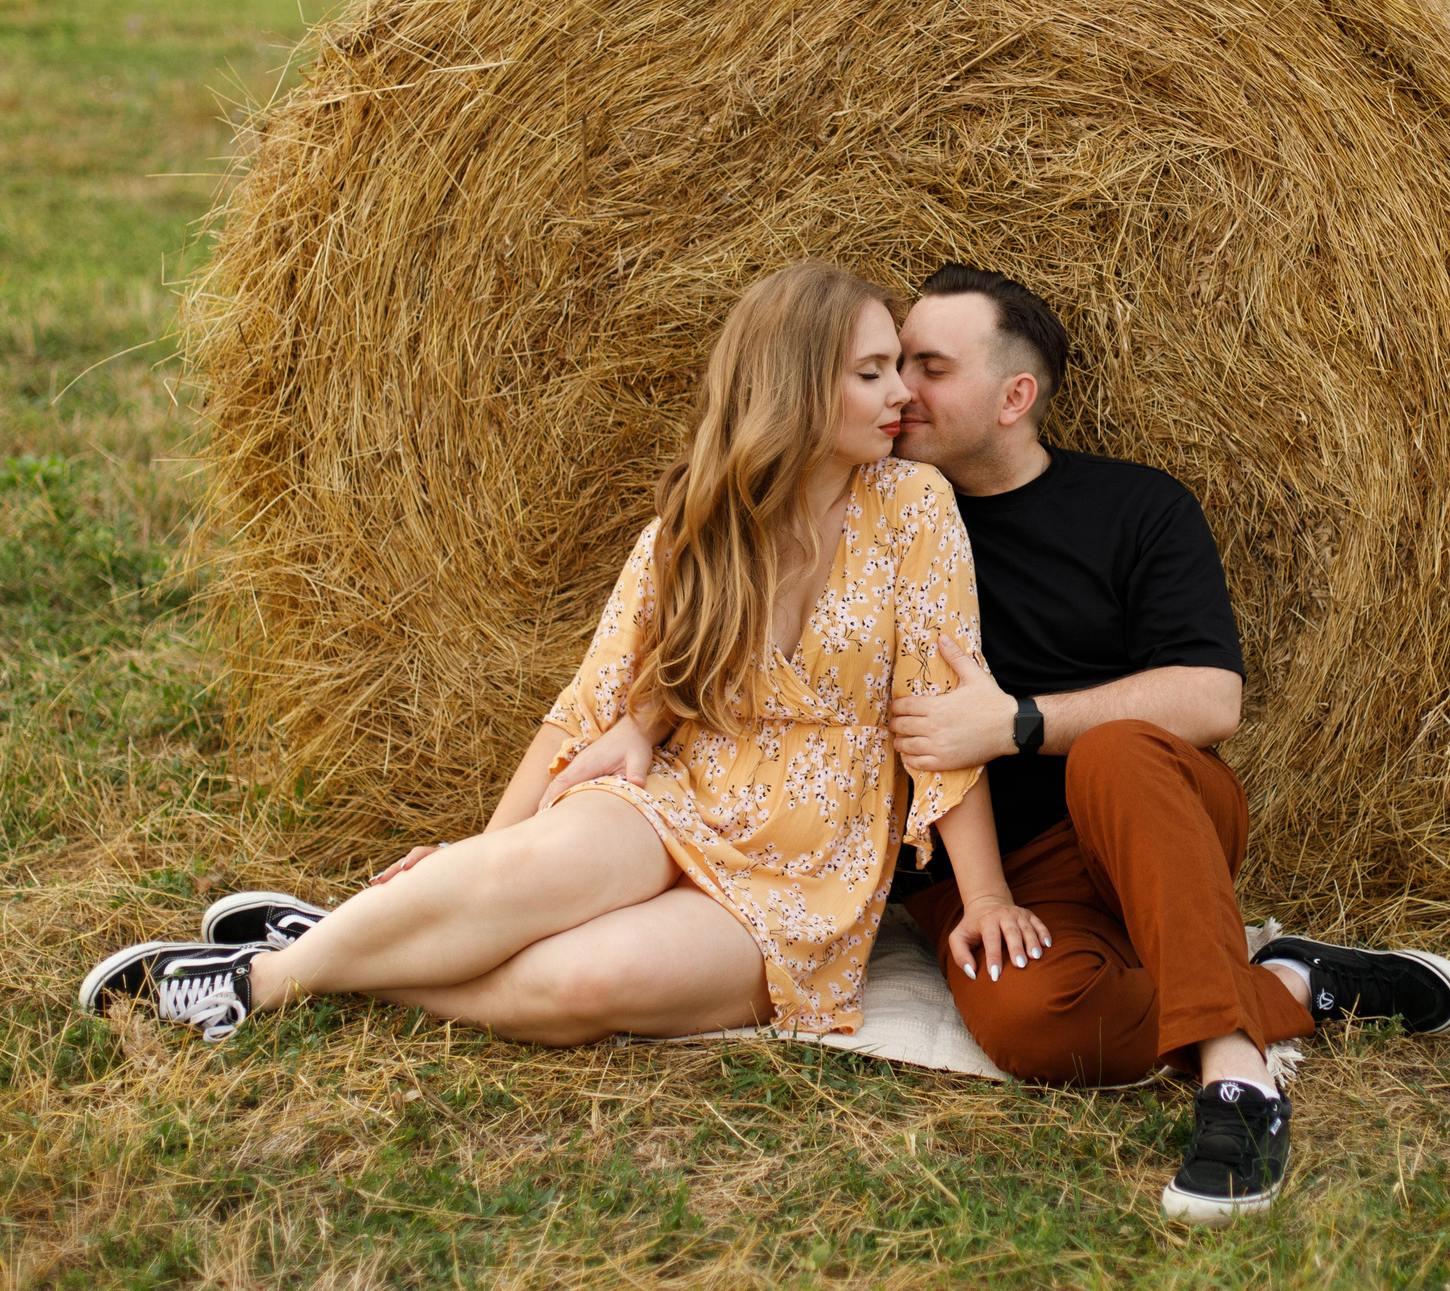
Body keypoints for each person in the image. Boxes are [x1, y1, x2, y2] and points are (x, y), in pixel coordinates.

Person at [77, 262, 1046, 1048]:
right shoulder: (698, 528)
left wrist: (986, 895)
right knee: (520, 878)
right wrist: (478, 856)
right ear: (794, 386)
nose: (902, 395)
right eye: (871, 372)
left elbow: (942, 719)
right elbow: (589, 703)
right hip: (677, 795)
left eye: (899, 368)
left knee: (578, 983)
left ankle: (340, 948)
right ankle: (258, 982)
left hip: (807, 874)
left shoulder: (914, 510)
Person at [886, 263, 1450, 1225]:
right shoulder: (879, 522)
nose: (900, 385)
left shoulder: (1138, 508)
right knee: (1035, 1026)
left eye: (931, 366)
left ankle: (1236, 1082)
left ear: (1014, 396)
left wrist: (1018, 723)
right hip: (988, 871)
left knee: (1115, 749)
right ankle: (1291, 982)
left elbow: (1211, 698)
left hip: (1154, 824)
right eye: (894, 361)